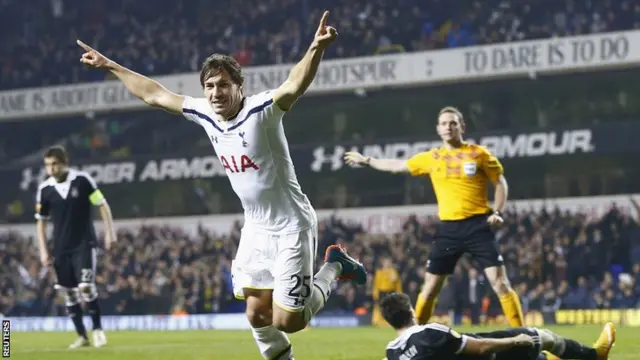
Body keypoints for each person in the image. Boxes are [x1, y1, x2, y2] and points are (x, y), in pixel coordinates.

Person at [77, 10, 367, 360]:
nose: (216, 93)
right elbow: (154, 94)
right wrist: (110, 65)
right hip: (256, 226)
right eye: (210, 86)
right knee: (256, 314)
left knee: (289, 321)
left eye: (223, 85)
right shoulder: (205, 113)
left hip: (291, 223)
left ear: (238, 86)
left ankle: (335, 265)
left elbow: (293, 84)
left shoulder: (262, 109)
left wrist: (316, 48)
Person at [344, 107, 524, 327]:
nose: (449, 127)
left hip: (478, 226)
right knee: (429, 289)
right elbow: (398, 165)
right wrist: (368, 160)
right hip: (449, 229)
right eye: (444, 123)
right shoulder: (432, 158)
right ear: (438, 129)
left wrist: (498, 211)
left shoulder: (480, 154)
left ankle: (525, 337)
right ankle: (414, 337)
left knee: (500, 283)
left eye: (453, 123)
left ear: (462, 126)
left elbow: (500, 182)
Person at [35, 146, 115, 349]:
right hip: (61, 249)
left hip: (84, 244)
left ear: (64, 163)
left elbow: (102, 204)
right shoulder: (45, 190)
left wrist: (110, 233)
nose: (51, 169)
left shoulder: (82, 181)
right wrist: (43, 250)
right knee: (69, 293)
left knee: (86, 287)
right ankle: (82, 336)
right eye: (47, 165)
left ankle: (97, 330)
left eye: (54, 164)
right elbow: (41, 223)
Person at [381, 292, 615, 360]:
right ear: (411, 312)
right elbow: (481, 347)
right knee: (542, 337)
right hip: (487, 353)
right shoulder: (428, 333)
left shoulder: (392, 352)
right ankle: (595, 354)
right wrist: (514, 341)